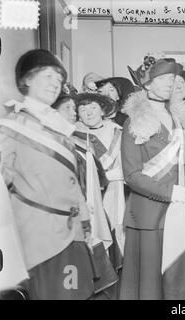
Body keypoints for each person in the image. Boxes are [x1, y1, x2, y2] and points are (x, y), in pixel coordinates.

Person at [0, 49, 95, 299]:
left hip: (71, 233)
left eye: (59, 79)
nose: (55, 84)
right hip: (38, 239)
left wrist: (85, 223)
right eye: (48, 76)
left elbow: (73, 184)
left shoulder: (59, 128)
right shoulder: (10, 128)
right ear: (27, 80)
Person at [120, 56, 185, 299]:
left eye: (173, 78)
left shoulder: (183, 119)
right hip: (151, 214)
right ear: (147, 84)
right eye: (164, 78)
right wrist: (169, 193)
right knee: (152, 287)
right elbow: (132, 175)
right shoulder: (133, 123)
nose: (171, 82)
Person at [51, 93, 119, 299]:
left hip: (113, 197)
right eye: (77, 109)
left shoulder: (117, 132)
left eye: (92, 108)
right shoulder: (70, 137)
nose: (78, 113)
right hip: (78, 207)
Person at [74, 93, 125, 272]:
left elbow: (128, 164)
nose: (88, 113)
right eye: (83, 109)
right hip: (88, 193)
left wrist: (113, 175)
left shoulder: (117, 131)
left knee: (115, 230)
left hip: (114, 190)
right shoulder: (73, 133)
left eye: (93, 108)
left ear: (103, 111)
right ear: (78, 114)